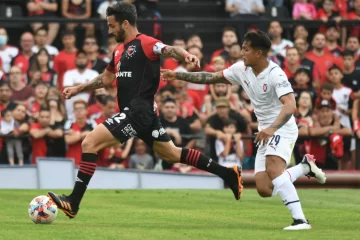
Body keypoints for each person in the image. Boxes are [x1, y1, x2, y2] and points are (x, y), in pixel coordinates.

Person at [47, 2, 242, 219]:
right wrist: (79, 88)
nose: (110, 31)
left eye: (112, 26)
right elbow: (107, 78)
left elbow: (169, 49)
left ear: (126, 23)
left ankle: (73, 202)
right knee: (172, 153)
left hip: (138, 111)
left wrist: (185, 55)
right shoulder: (118, 50)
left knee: (89, 142)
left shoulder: (146, 43)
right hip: (143, 114)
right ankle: (228, 173)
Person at [162, 30, 327, 230]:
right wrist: (178, 75)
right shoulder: (241, 69)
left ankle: (301, 220)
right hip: (265, 130)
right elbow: (212, 77)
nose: (241, 53)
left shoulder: (276, 74)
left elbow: (290, 105)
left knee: (275, 170)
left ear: (258, 53)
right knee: (264, 188)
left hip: (282, 127)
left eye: (246, 49)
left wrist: (273, 128)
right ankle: (304, 168)